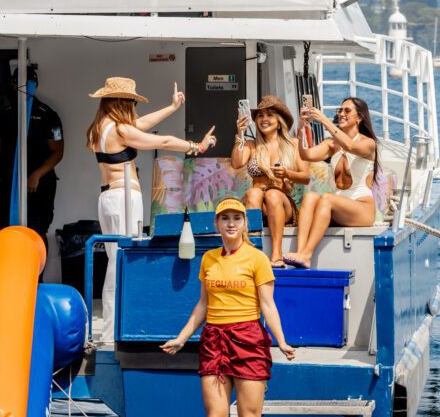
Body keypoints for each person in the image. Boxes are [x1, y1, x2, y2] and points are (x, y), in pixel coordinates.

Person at [87, 76, 216, 343]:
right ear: (124, 102)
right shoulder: (122, 131)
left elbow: (140, 125)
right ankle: (112, 333)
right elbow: (165, 142)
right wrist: (196, 146)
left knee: (115, 258)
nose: (135, 107)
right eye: (132, 102)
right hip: (123, 197)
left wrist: (171, 108)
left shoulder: (100, 127)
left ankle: (113, 328)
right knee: (120, 260)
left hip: (108, 197)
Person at [161, 197, 295, 417]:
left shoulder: (257, 258)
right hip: (214, 341)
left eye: (237, 218)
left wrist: (281, 341)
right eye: (225, 218)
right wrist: (182, 338)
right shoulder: (208, 259)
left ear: (245, 224)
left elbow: (268, 304)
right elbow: (203, 304)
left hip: (248, 340)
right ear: (217, 224)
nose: (231, 223)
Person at [284, 97, 379, 269]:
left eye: (347, 111)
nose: (341, 114)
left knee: (327, 198)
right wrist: (302, 127)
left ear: (359, 118)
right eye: (340, 110)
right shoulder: (332, 144)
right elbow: (307, 155)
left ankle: (307, 255)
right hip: (338, 208)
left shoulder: (368, 143)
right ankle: (300, 253)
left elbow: (350, 146)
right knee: (310, 197)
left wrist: (323, 120)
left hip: (361, 209)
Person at [231, 96, 309, 269]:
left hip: (282, 205)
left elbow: (306, 177)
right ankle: (252, 252)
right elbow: (236, 163)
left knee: (273, 194)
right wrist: (240, 134)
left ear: (279, 121)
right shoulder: (251, 145)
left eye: (270, 115)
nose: (264, 119)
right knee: (254, 192)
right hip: (257, 205)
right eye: (260, 116)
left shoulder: (293, 144)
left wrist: (287, 173)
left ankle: (276, 255)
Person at [0, 65, 64, 252]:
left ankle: (37, 277)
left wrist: (36, 175)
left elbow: (58, 151)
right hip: (8, 182)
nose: (25, 87)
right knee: (6, 229)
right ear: (13, 84)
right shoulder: (5, 114)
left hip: (39, 183)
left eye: (30, 83)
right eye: (20, 83)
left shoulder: (47, 114)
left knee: (38, 230)